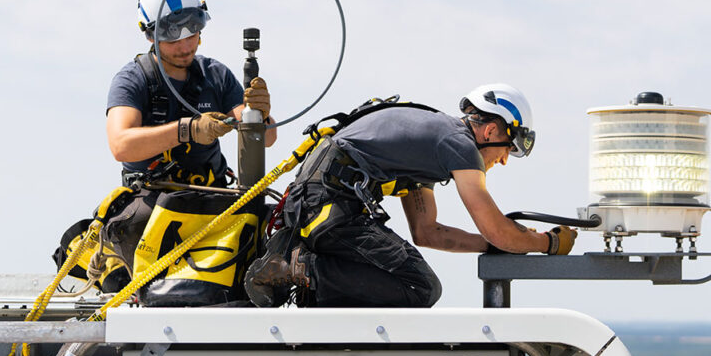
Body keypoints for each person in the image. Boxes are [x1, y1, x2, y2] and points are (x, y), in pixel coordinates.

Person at [245, 83, 577, 308]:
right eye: (508, 149)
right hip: (329, 205)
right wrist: (547, 243)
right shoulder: (459, 145)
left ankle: (305, 278)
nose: (504, 160)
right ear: (491, 131)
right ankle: (298, 268)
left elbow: (427, 232)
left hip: (319, 204)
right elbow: (497, 229)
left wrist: (491, 245)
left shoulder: (429, 148)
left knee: (407, 283)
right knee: (420, 286)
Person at [106, 0, 277, 186]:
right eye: (173, 40)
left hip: (212, 196)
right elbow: (121, 146)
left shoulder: (215, 75)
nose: (185, 48)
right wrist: (188, 130)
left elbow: (268, 139)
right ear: (150, 36)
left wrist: (259, 115)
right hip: (151, 197)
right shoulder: (132, 80)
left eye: (191, 36)